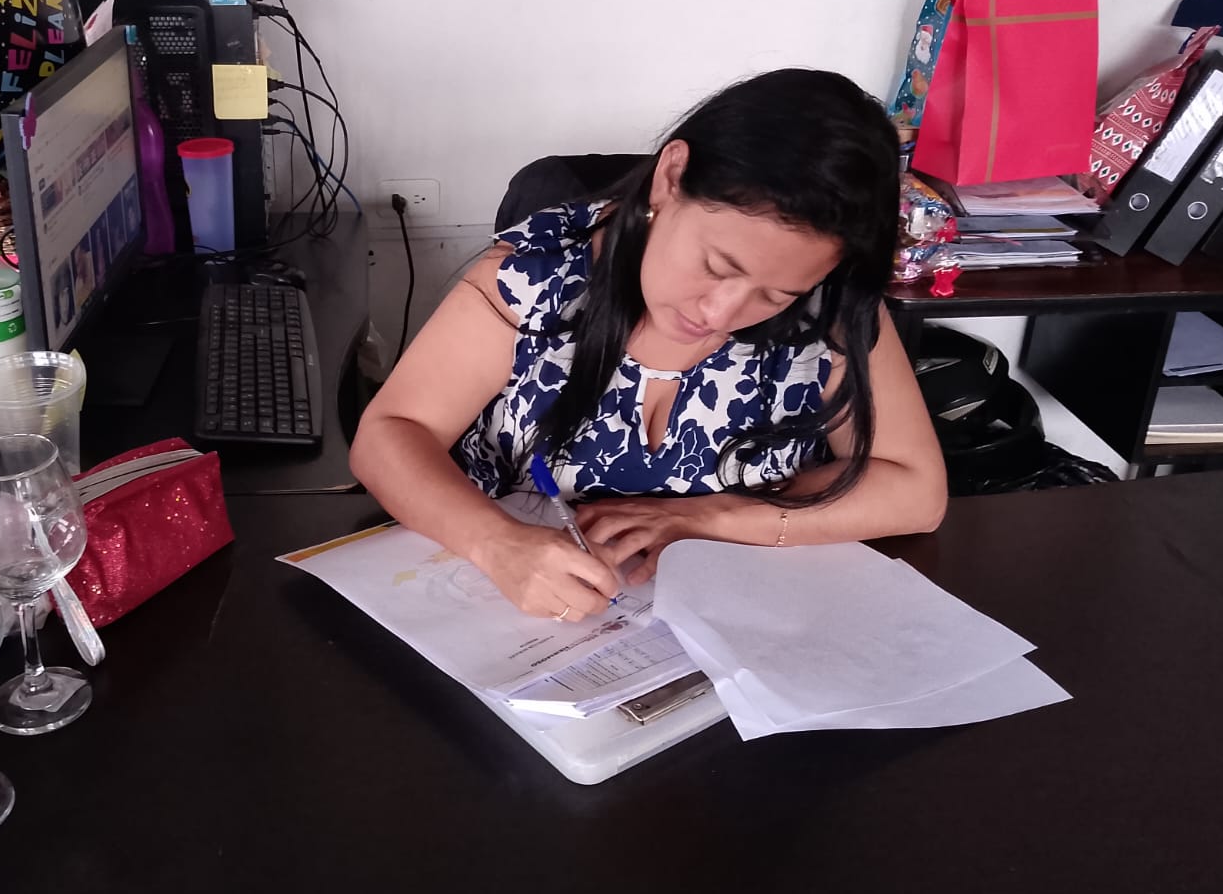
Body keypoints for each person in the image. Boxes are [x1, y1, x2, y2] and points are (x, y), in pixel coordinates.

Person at [350, 70, 947, 623]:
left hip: (736, 626)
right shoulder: (539, 275)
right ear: (670, 176)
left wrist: (710, 518)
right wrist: (497, 543)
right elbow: (390, 434)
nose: (720, 315)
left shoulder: (831, 305)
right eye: (716, 265)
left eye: (775, 294)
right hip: (515, 620)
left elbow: (915, 492)